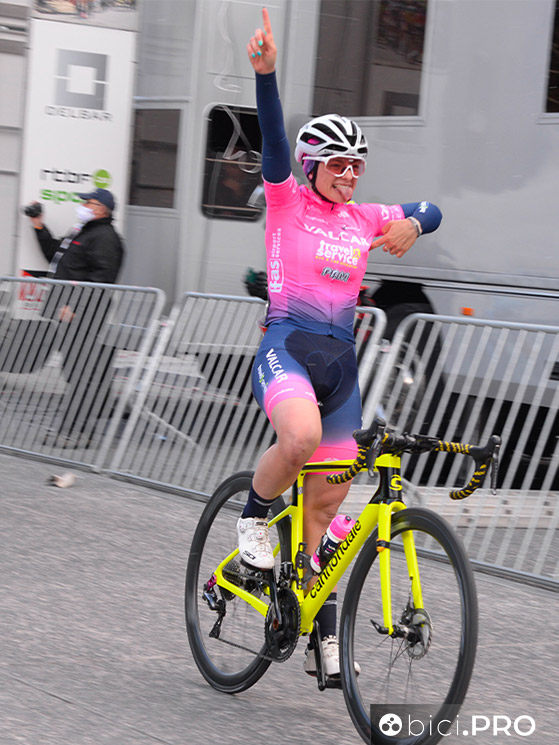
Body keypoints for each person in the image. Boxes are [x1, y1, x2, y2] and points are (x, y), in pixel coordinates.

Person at [236, 8, 442, 680]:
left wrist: (414, 224)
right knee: (296, 439)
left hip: (340, 369)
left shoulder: (363, 217)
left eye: (357, 165)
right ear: (313, 166)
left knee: (326, 507)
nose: (350, 174)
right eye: (339, 164)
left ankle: (310, 613)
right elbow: (271, 140)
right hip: (288, 347)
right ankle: (252, 522)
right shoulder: (287, 200)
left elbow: (433, 207)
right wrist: (265, 76)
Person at [27, 188, 124, 447]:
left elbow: (102, 279)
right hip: (70, 313)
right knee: (76, 371)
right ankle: (77, 426)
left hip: (84, 315)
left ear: (101, 209)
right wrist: (38, 225)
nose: (83, 206)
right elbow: (55, 254)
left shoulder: (105, 237)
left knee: (81, 373)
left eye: (88, 203)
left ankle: (76, 432)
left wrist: (75, 307)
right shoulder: (84, 231)